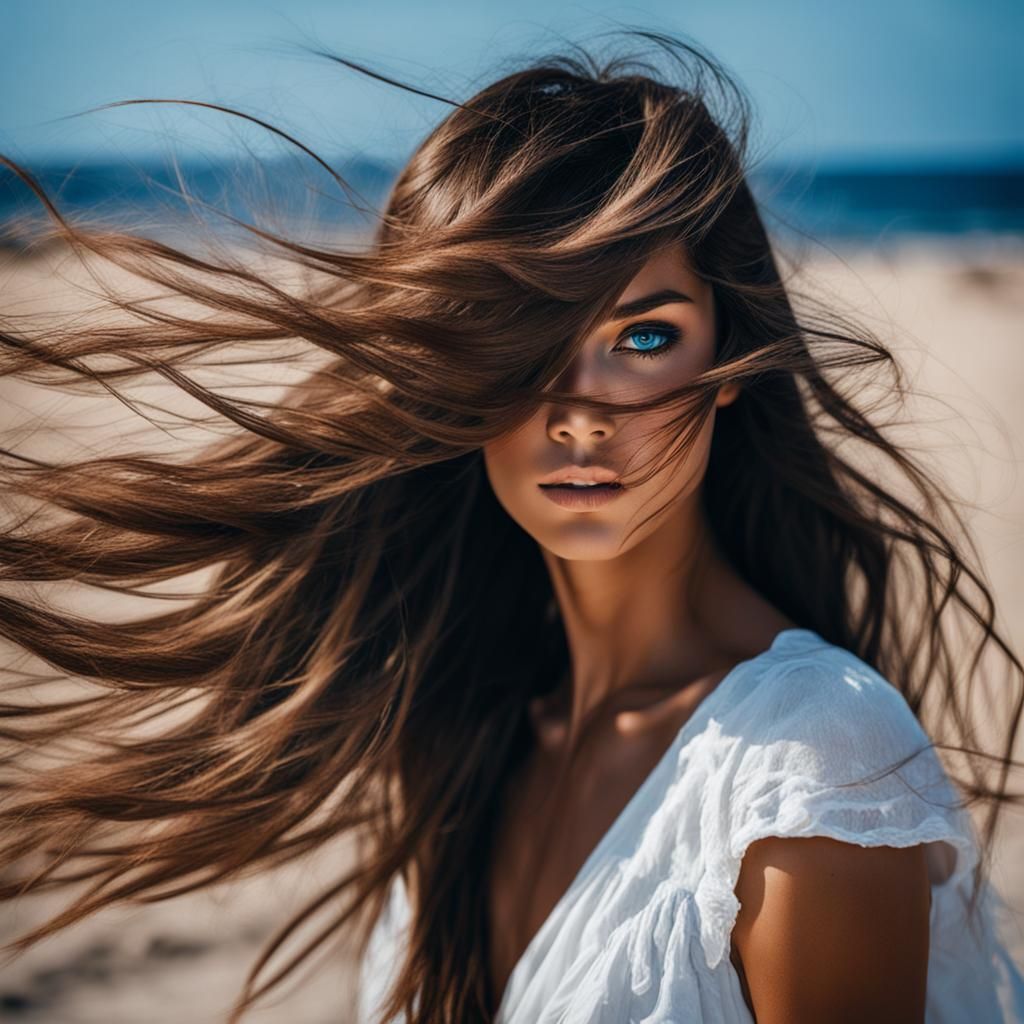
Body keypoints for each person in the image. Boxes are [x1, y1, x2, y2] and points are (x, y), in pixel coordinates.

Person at [0, 29, 1021, 1024]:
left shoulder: (807, 763)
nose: (580, 409)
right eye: (521, 339)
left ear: (726, 367)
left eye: (644, 336)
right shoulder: (459, 731)